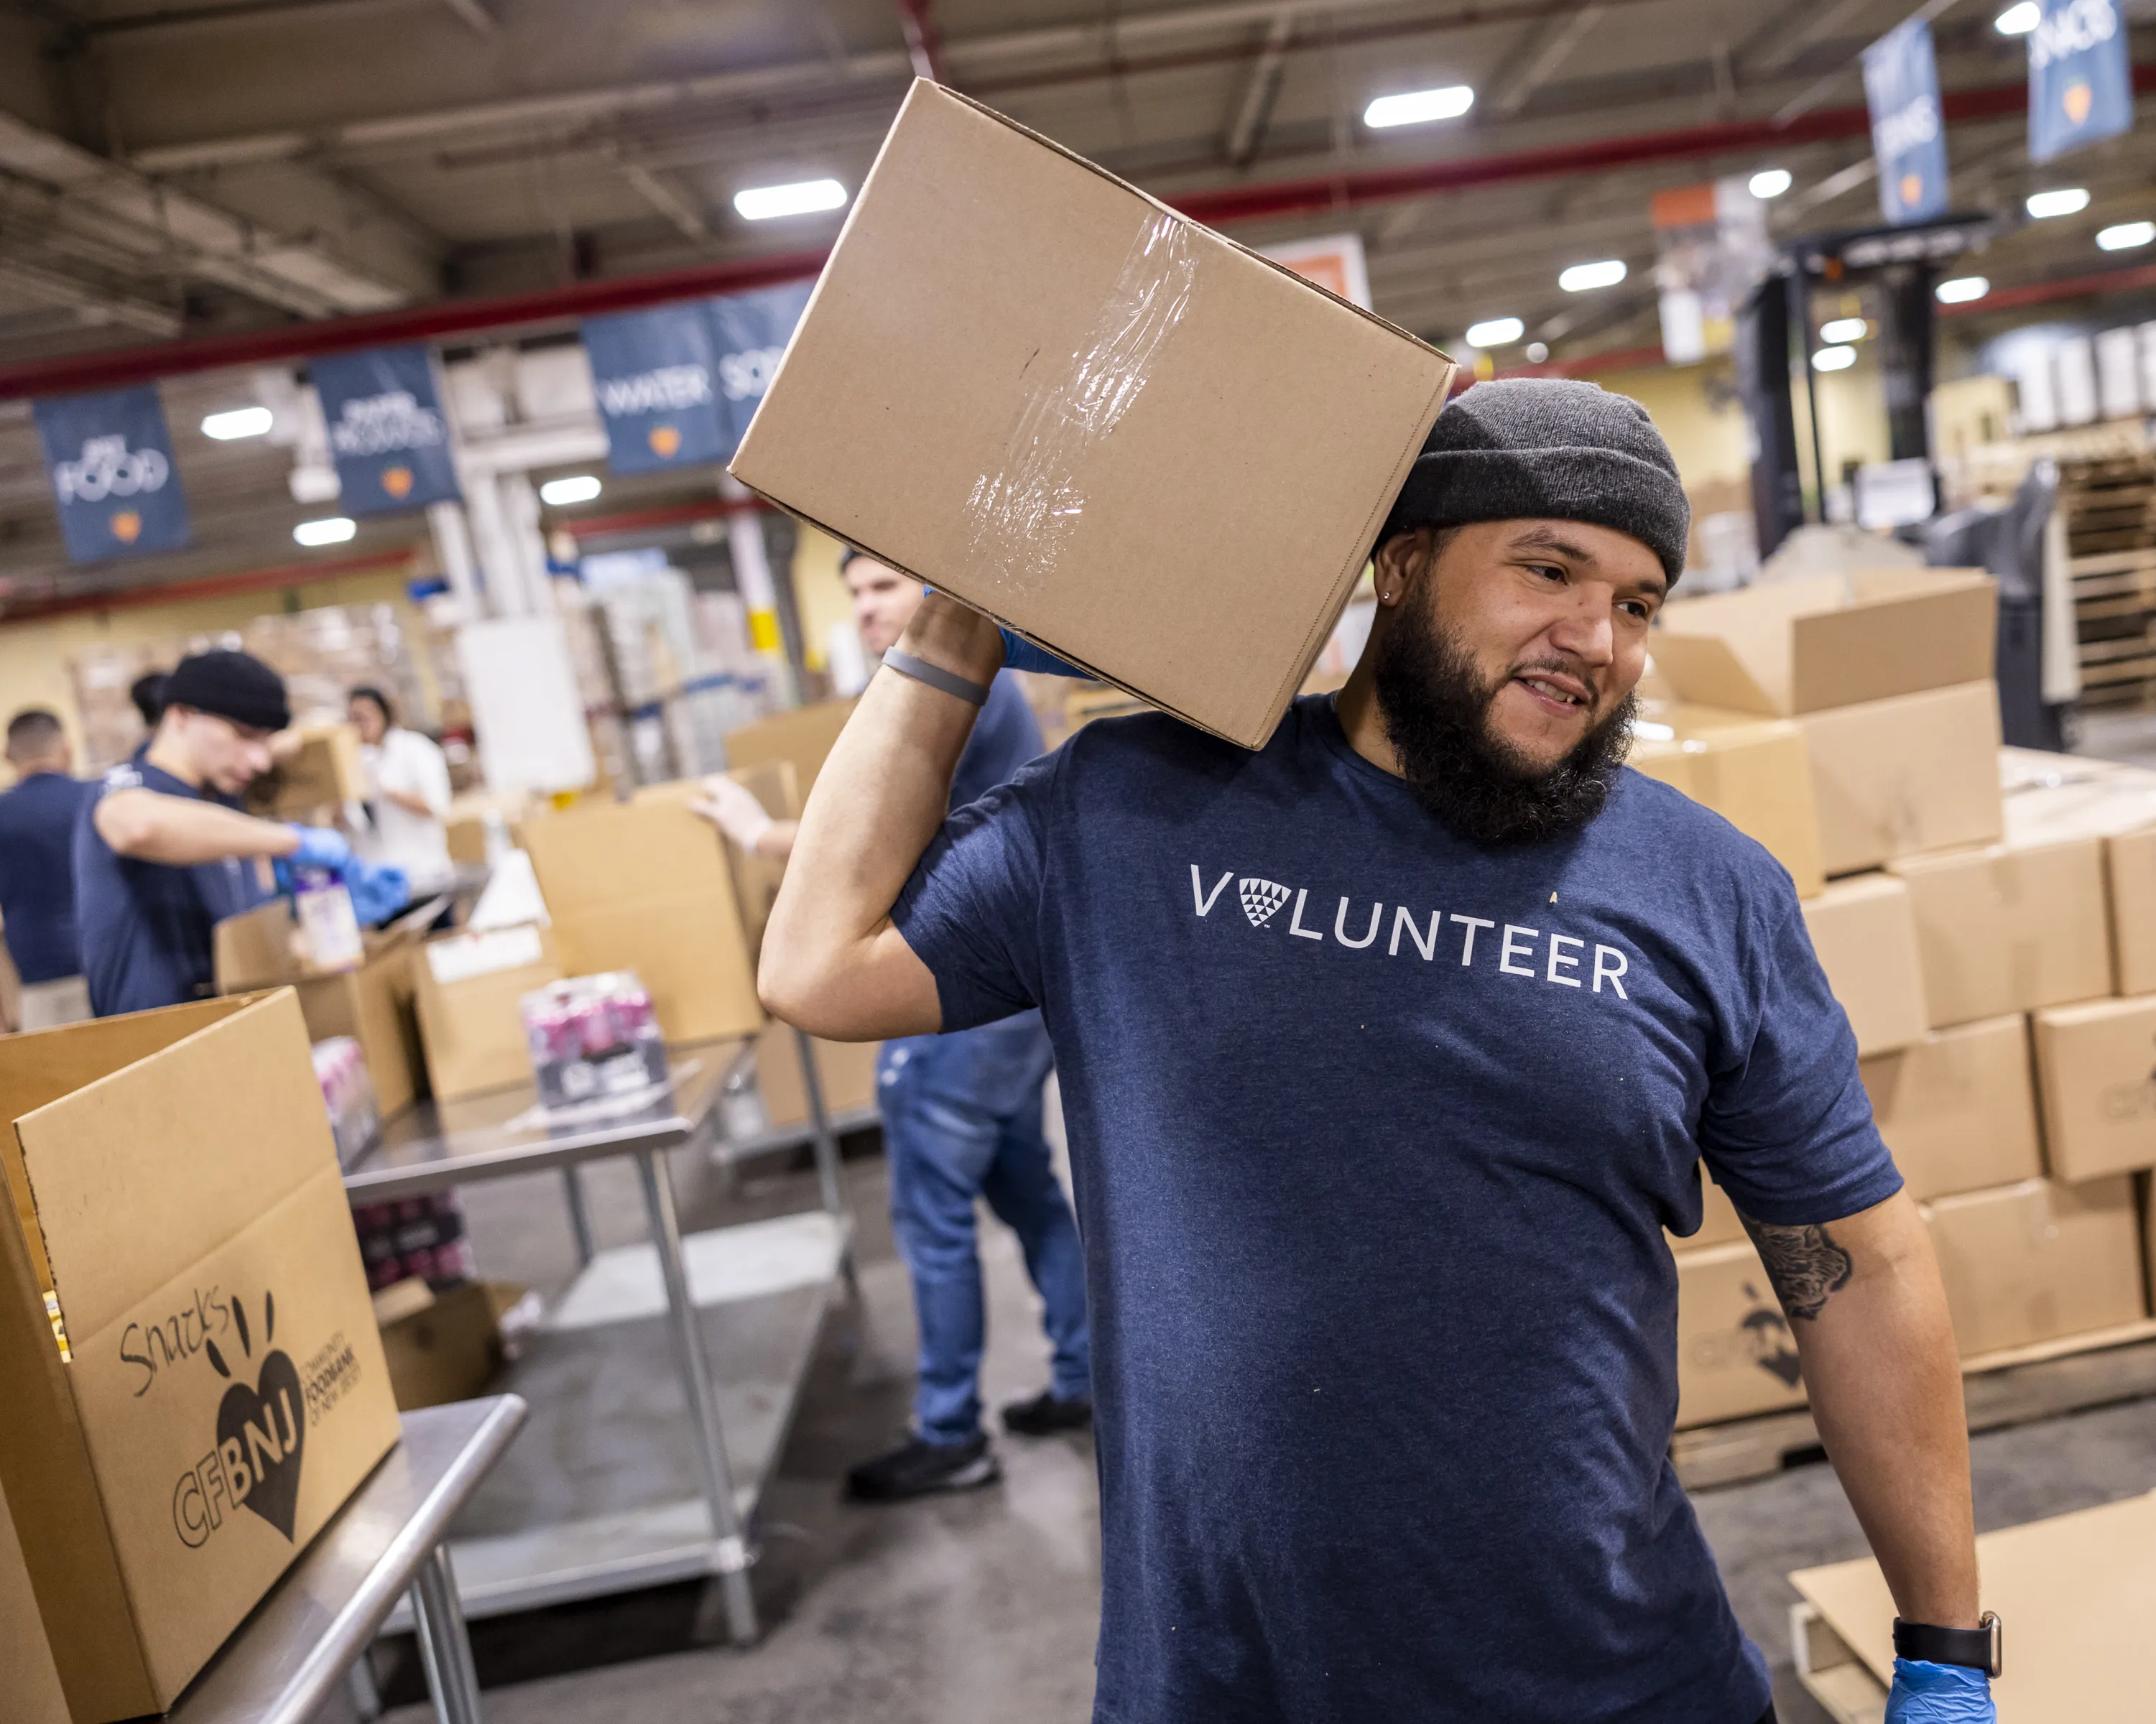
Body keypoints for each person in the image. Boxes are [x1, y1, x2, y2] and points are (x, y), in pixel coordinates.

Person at [758, 380, 1997, 1724]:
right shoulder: (1138, 811)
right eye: (1547, 569)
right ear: (1400, 565)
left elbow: (1856, 1265)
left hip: (1620, 1683)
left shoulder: (1707, 889)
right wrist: (955, 623)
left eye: (1639, 603)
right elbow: (818, 966)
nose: (1596, 638)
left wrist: (1942, 1651)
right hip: (1231, 1691)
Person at [693, 550, 1092, 1498]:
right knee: (1025, 1189)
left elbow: (882, 848)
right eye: (858, 592)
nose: (869, 607)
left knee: (932, 1218)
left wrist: (757, 835)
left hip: (953, 1010)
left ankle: (952, 1431)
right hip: (1009, 1003)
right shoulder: (962, 684)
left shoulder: (954, 687)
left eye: (884, 586)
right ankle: (1083, 1378)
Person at [77, 649, 405, 1018]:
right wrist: (292, 841)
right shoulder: (126, 786)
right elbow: (137, 827)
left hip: (231, 1027)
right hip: (155, 1043)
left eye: (265, 742)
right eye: (244, 736)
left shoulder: (223, 799)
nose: (260, 761)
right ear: (182, 714)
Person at [0, 710, 94, 1029]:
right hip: (104, 968)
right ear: (66, 747)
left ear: (7, 756)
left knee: (53, 1075)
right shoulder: (98, 799)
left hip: (36, 976)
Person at [347, 685, 456, 895]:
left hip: (424, 875)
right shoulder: (353, 761)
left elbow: (437, 806)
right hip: (379, 882)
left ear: (383, 714)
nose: (359, 726)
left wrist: (388, 791)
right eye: (353, 719)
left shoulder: (415, 749)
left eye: (364, 718)